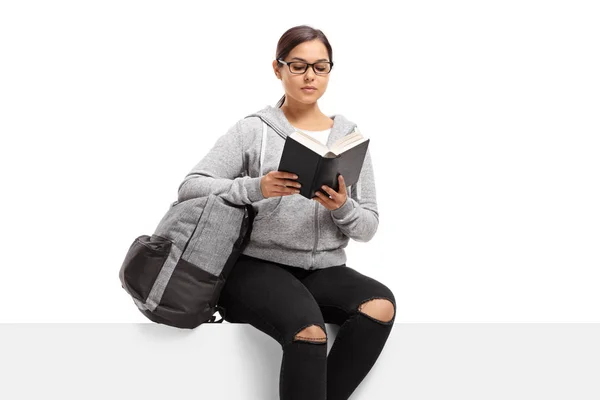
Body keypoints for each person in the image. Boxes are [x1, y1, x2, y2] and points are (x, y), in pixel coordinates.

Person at [177, 25, 396, 400]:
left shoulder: (348, 137)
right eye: (298, 65)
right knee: (308, 330)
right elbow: (191, 186)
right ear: (277, 69)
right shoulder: (254, 130)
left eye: (320, 66)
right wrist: (255, 187)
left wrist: (342, 207)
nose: (310, 75)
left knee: (380, 305)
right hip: (256, 267)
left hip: (324, 269)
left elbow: (369, 225)